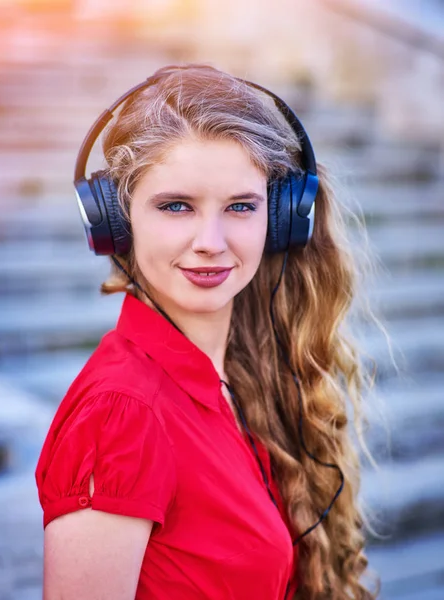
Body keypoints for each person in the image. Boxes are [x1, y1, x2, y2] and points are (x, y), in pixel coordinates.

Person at [35, 64, 379, 600]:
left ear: (284, 219)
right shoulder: (121, 416)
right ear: (117, 220)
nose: (210, 241)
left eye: (241, 206)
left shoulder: (239, 378)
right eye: (176, 206)